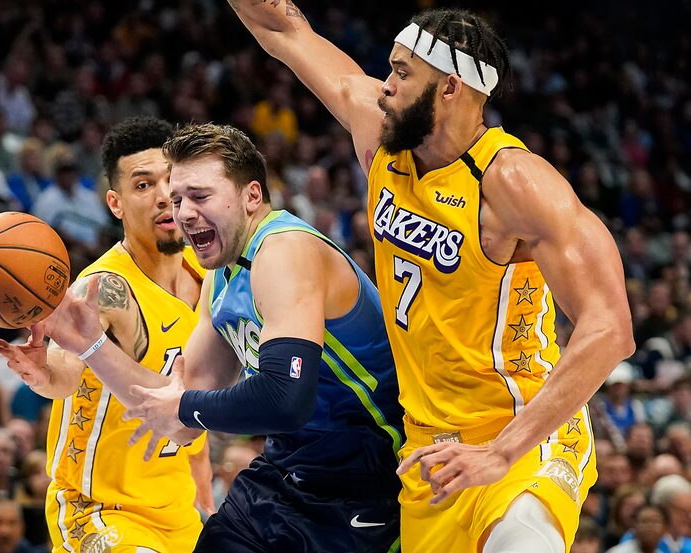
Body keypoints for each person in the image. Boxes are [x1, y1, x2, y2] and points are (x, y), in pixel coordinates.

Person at [228, 3, 634, 552]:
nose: (386, 86)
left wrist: (502, 451)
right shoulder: (381, 137)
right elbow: (281, 27)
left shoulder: (512, 182)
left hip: (521, 432)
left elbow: (610, 328)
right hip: (429, 452)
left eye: (401, 72)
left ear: (449, 89)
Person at [42, 123, 403, 552]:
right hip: (284, 475)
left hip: (364, 482)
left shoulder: (284, 250)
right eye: (178, 200)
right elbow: (184, 411)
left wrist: (184, 409)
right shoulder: (222, 273)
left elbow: (285, 400)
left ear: (252, 196)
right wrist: (91, 347)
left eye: (199, 196)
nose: (182, 212)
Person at [0, 117, 214, 553]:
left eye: (169, 179)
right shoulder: (104, 289)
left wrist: (205, 494)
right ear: (116, 203)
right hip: (97, 512)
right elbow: (67, 369)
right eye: (143, 185)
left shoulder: (208, 276)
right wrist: (43, 374)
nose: (164, 195)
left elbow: (196, 412)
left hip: (177, 515)